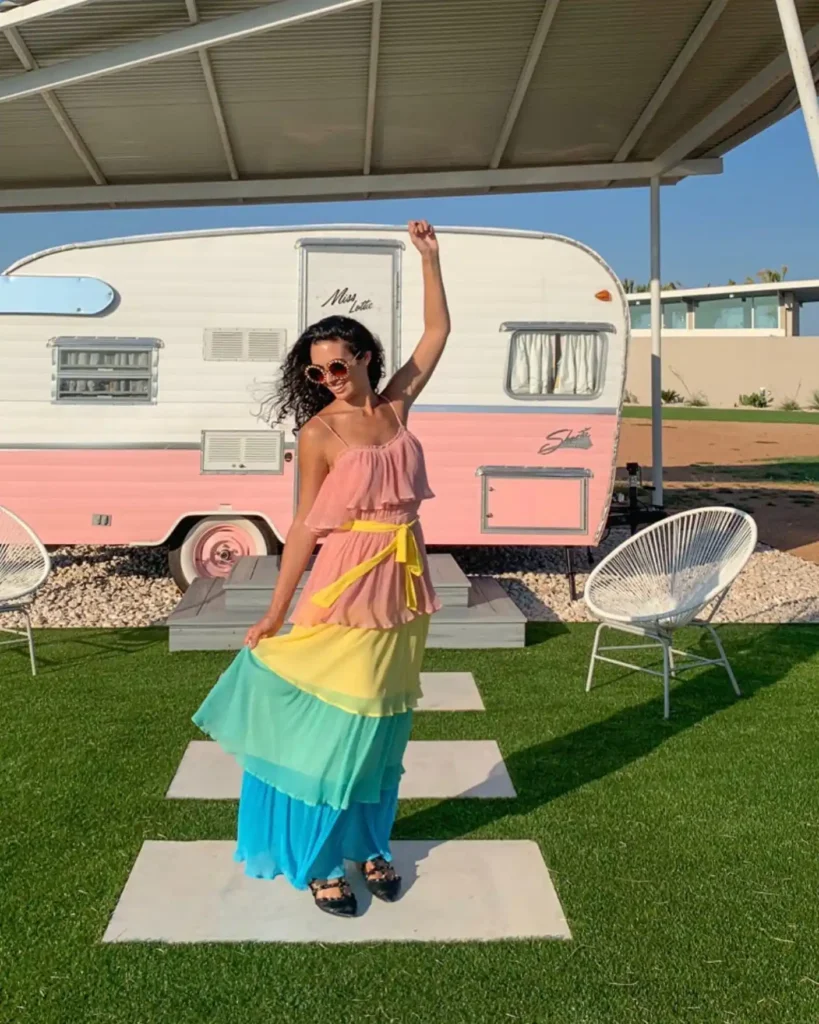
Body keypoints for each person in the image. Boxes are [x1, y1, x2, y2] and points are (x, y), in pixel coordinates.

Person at [193, 220, 450, 917]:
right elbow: (305, 524)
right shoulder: (319, 433)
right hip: (344, 579)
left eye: (338, 366)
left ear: (366, 358)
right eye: (316, 371)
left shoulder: (395, 406)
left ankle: (368, 843)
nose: (328, 379)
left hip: (401, 577)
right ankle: (313, 857)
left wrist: (430, 260)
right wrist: (275, 611)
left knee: (383, 723)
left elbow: (434, 337)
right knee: (334, 721)